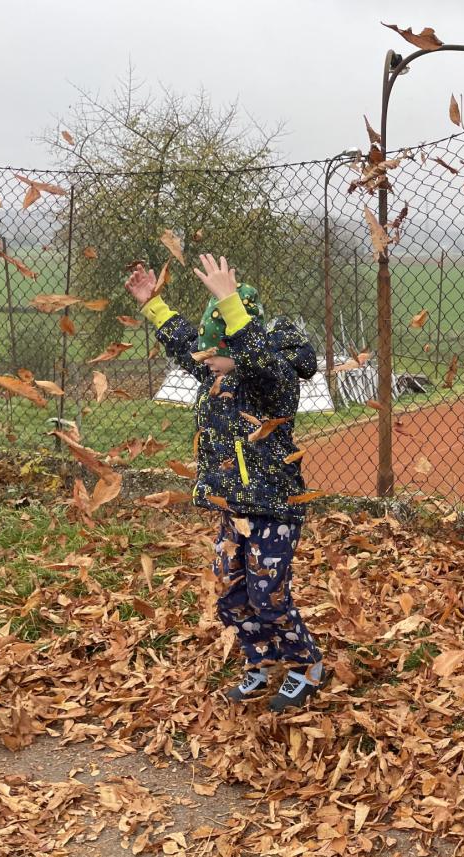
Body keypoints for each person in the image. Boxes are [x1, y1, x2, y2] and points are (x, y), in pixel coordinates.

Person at [125, 254, 325, 712]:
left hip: (273, 509)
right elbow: (185, 343)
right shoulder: (216, 373)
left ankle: (305, 665)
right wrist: (153, 303)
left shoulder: (272, 382)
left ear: (236, 346)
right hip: (233, 510)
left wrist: (230, 303)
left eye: (212, 352)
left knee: (267, 595)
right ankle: (261, 661)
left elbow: (260, 359)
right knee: (231, 595)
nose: (203, 360)